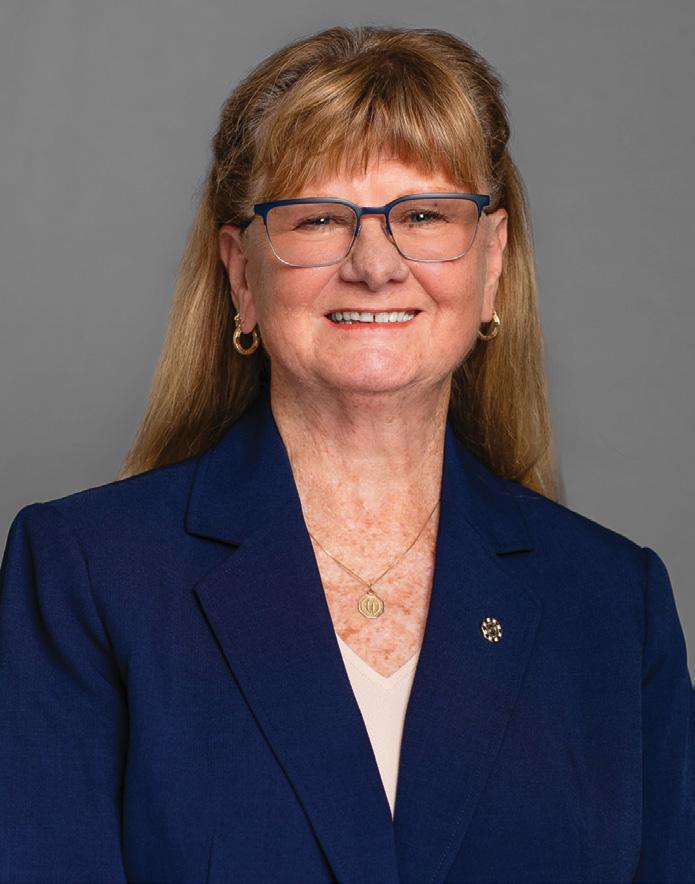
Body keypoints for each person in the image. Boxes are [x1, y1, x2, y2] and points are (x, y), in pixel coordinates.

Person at [1, 23, 693, 884]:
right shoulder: (87, 576)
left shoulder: (613, 605)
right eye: (319, 219)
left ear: (492, 262)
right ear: (242, 275)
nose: (374, 264)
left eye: (424, 216)